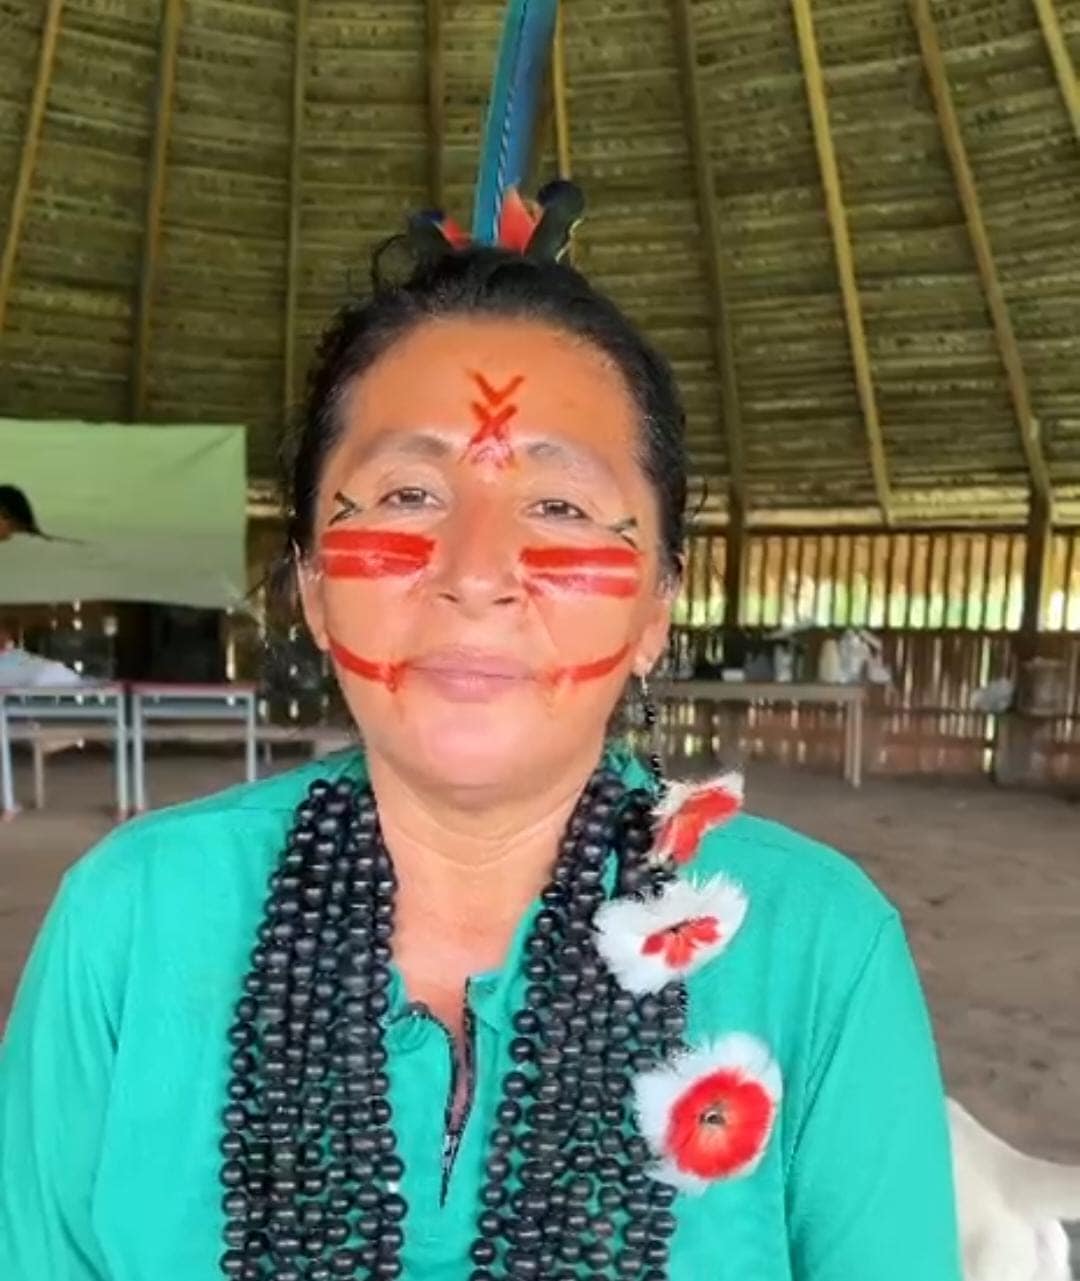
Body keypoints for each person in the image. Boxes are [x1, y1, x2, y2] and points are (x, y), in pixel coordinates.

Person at [0, 194, 963, 1280]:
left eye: (559, 506)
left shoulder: (820, 948)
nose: (473, 573)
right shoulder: (130, 922)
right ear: (311, 584)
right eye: (409, 492)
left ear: (657, 605)